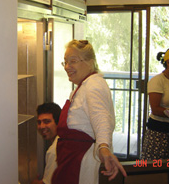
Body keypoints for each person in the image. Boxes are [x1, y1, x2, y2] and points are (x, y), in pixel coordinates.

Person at [51, 40, 127, 184]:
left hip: (80, 162)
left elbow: (102, 119)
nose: (67, 67)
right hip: (70, 160)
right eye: (65, 62)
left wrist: (104, 147)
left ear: (90, 62)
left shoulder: (94, 85)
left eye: (73, 61)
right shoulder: (81, 87)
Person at [32, 102, 61, 184]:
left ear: (58, 123)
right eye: (39, 122)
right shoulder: (61, 141)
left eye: (47, 121)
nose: (41, 126)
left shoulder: (54, 151)